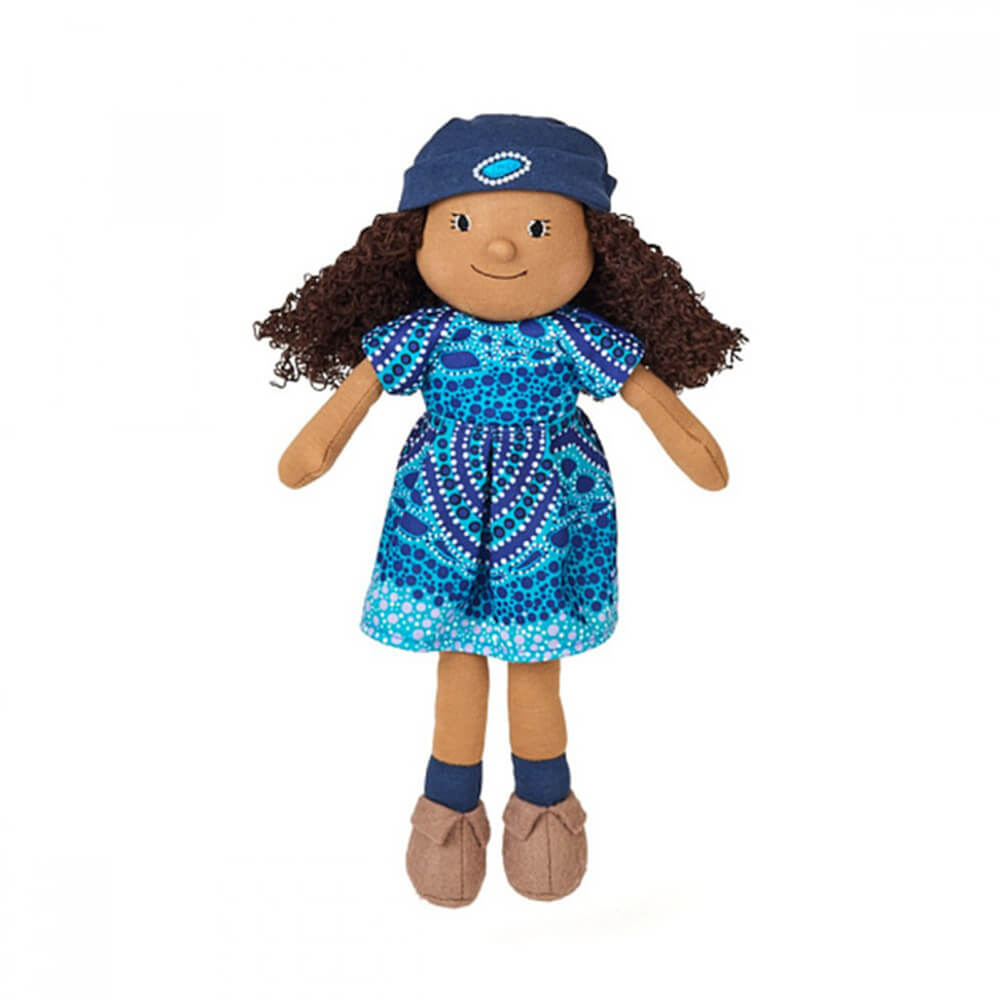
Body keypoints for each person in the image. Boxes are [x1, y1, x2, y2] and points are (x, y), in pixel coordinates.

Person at [255, 114, 744, 906]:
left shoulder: (575, 337)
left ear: (595, 243)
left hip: (547, 524)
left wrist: (694, 449)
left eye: (541, 228)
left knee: (534, 667)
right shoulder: (421, 335)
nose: (505, 247)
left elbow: (657, 406)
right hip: (439, 524)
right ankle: (448, 814)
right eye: (462, 224)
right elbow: (336, 420)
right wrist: (311, 452)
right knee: (458, 665)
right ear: (417, 238)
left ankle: (545, 809)